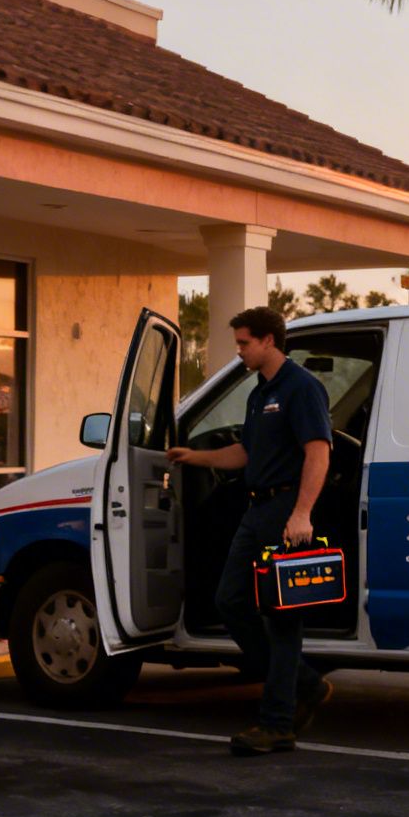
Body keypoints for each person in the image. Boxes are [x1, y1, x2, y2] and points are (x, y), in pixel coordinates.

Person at [166, 307, 333, 755]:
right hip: (255, 510)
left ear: (268, 341)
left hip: (284, 510)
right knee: (229, 600)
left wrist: (302, 514)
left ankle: (277, 722)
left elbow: (318, 453)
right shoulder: (259, 393)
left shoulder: (301, 388)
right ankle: (304, 682)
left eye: (243, 343)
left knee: (282, 622)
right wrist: (193, 457)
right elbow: (244, 453)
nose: (239, 352)